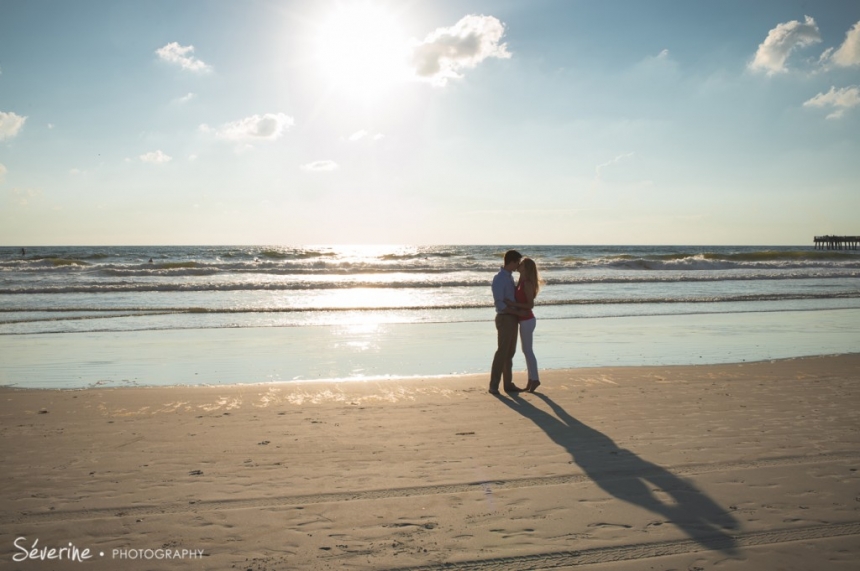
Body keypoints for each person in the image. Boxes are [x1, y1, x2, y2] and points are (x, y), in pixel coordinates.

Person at [490, 249, 524, 395]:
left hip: (512, 317)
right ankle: (494, 385)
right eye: (517, 262)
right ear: (512, 261)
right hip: (505, 317)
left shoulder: (509, 277)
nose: (518, 265)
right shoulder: (499, 278)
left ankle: (508, 383)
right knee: (502, 352)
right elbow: (499, 303)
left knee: (510, 352)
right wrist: (515, 311)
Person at [506, 257, 541, 392]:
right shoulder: (521, 280)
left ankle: (535, 379)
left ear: (525, 268)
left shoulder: (527, 283)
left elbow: (530, 305)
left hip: (527, 320)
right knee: (526, 350)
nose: (518, 266)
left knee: (528, 351)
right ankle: (531, 380)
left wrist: (512, 304)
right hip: (523, 320)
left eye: (521, 265)